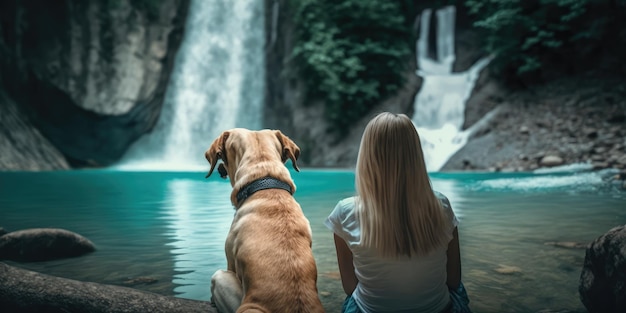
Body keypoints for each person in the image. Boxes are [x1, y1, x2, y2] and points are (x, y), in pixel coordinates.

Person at [324, 112, 471, 313]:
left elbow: (350, 287)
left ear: (367, 156)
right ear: (416, 156)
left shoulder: (344, 212)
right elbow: (453, 280)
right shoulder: (441, 206)